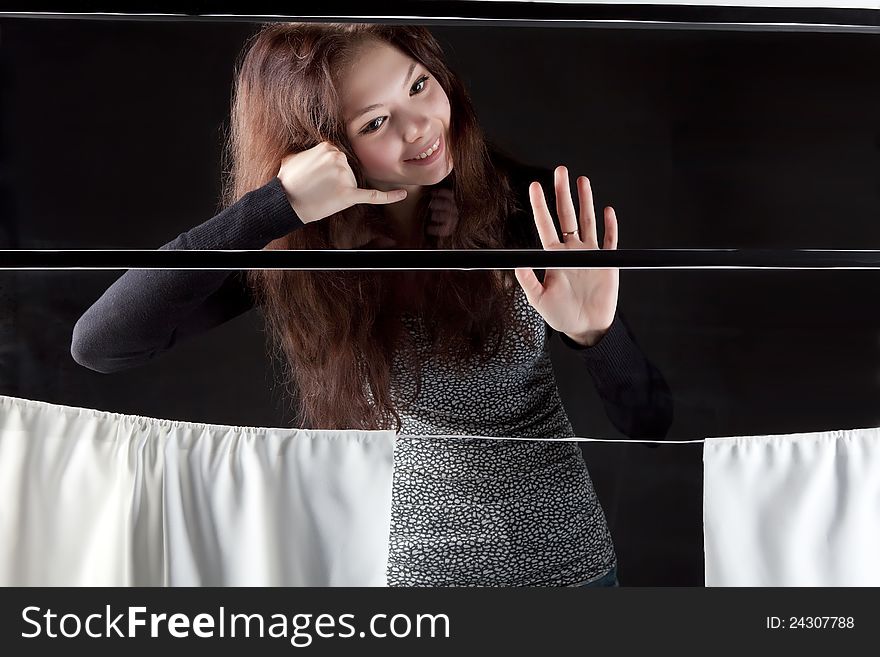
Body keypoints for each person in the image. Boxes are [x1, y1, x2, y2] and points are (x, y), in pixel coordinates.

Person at [71, 22, 673, 587]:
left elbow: (648, 424)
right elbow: (101, 345)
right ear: (323, 148)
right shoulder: (307, 253)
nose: (420, 128)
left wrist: (598, 335)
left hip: (571, 574)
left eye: (419, 85)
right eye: (376, 121)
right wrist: (274, 207)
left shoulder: (525, 206)